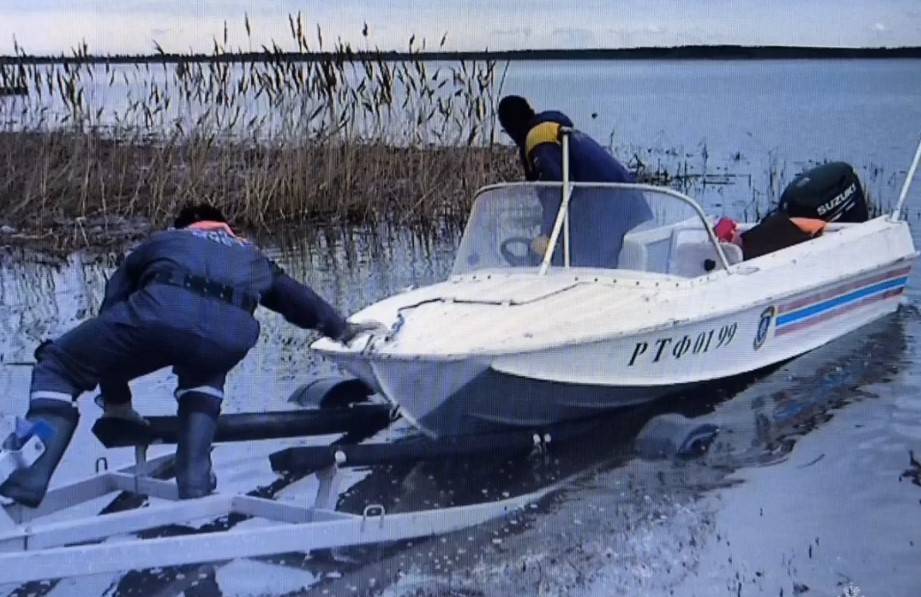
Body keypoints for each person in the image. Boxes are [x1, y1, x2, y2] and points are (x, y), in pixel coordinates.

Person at [0, 204, 377, 507]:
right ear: (226, 229)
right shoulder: (253, 255)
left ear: (183, 227)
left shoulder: (162, 242)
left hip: (159, 316)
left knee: (58, 366)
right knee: (204, 375)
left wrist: (117, 402)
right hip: (230, 337)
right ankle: (194, 478)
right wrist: (342, 330)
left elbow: (111, 318)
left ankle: (29, 475)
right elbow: (300, 301)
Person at [497, 95, 652, 268]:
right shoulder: (553, 130)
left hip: (610, 209)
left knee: (590, 267)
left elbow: (555, 190)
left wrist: (547, 235)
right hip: (623, 204)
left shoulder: (539, 137)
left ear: (510, 128)